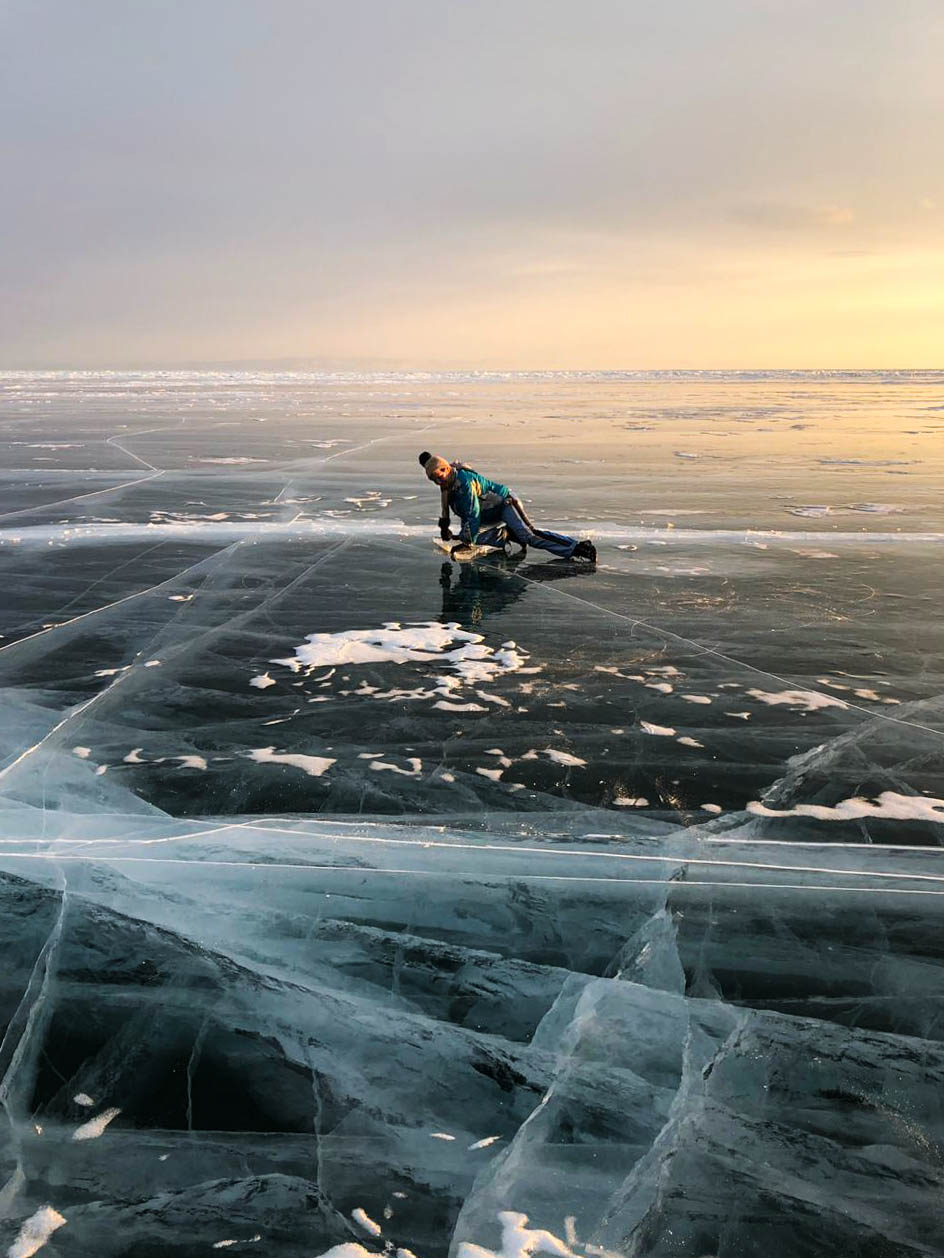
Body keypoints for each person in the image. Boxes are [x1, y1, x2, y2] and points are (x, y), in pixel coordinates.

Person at [418, 451, 596, 561]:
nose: (439, 478)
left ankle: (577, 548)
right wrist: (446, 529)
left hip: (505, 504)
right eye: (434, 477)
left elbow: (472, 514)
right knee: (474, 538)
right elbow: (451, 512)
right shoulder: (446, 487)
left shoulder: (464, 482)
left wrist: (465, 542)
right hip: (488, 514)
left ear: (447, 468)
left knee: (530, 536)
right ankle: (506, 534)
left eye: (440, 472)